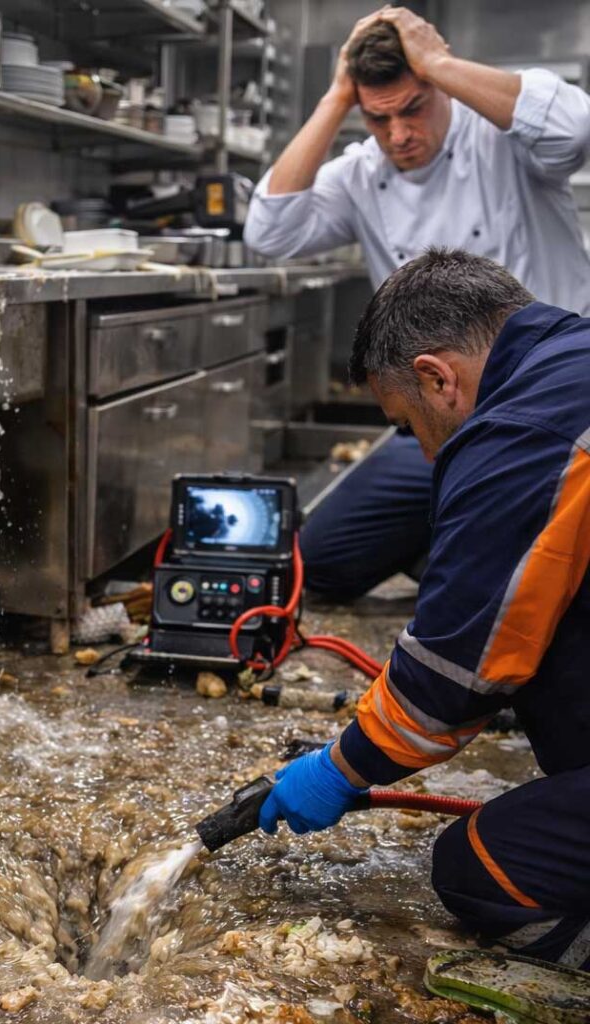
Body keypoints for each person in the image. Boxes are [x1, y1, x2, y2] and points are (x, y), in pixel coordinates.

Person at [256, 248, 590, 969]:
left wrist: (340, 769)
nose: (423, 451)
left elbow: (449, 680)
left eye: (408, 424)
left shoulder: (522, 435)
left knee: (484, 869)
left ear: (439, 378)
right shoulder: (571, 362)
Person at [243, 6, 590, 599]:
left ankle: (483, 552)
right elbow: (269, 232)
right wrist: (335, 99)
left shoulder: (501, 140)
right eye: (379, 119)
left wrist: (439, 61)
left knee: (524, 579)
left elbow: (575, 130)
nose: (398, 134)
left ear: (439, 86)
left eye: (412, 108)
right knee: (318, 562)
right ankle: (461, 546)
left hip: (551, 407)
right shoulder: (361, 173)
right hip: (438, 421)